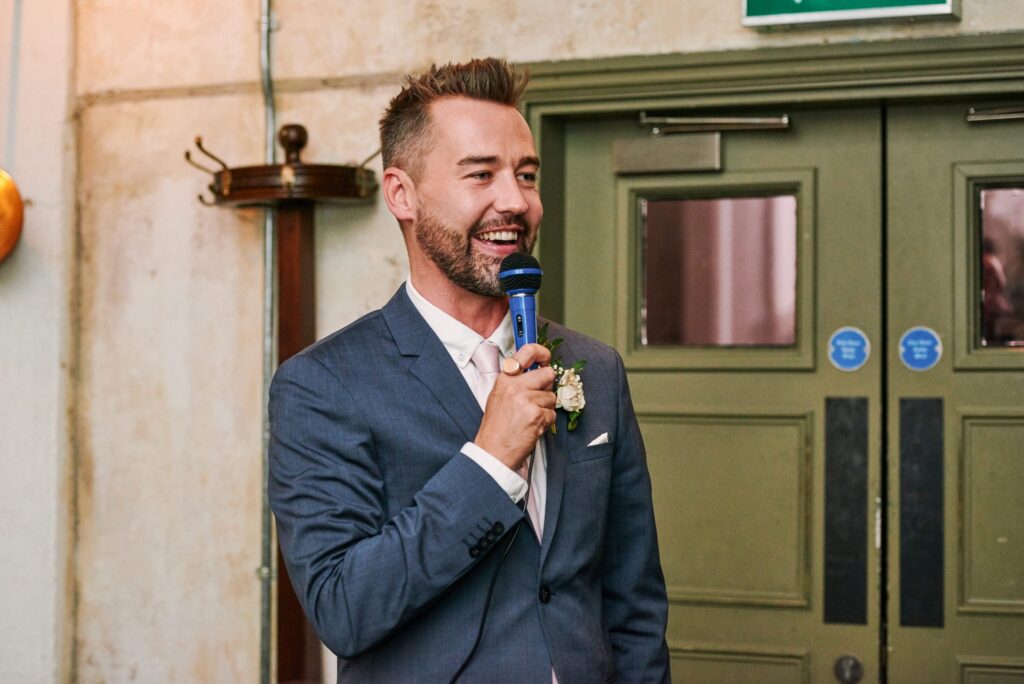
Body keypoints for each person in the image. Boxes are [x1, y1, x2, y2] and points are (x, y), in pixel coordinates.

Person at [269, 58, 670, 683]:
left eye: (526, 175)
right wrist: (489, 461)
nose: (514, 201)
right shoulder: (323, 385)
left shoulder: (596, 368)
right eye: (480, 174)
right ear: (402, 194)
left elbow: (634, 600)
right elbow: (343, 608)